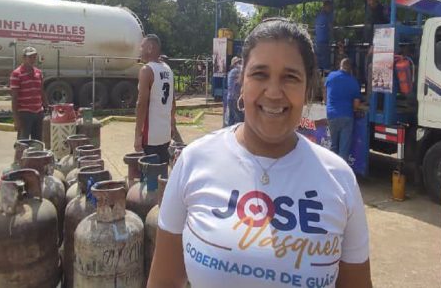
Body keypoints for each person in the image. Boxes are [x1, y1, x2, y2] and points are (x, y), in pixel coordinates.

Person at [148, 18, 372, 288]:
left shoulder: (340, 180)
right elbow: (164, 282)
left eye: (290, 77)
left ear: (307, 88)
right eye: (260, 74)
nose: (274, 93)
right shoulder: (193, 162)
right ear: (242, 83)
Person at [135, 34, 177, 165]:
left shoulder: (147, 70)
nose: (140, 50)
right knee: (163, 170)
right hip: (165, 133)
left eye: (142, 46)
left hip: (150, 135)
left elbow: (141, 104)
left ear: (150, 48)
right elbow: (172, 101)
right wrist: (172, 124)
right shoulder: (168, 69)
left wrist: (137, 135)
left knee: (150, 173)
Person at [324, 58, 362, 160]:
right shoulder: (353, 81)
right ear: (350, 69)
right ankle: (341, 169)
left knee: (333, 146)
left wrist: (328, 104)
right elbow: (356, 104)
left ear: (340, 66)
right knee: (344, 150)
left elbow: (325, 92)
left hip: (331, 115)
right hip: (346, 116)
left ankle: (331, 167)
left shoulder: (331, 76)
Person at [10, 46, 46, 141]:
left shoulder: (38, 73)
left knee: (37, 142)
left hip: (39, 113)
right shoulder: (16, 74)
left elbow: (41, 91)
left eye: (34, 57)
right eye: (30, 57)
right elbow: (14, 97)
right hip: (25, 114)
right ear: (23, 58)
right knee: (23, 142)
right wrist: (16, 119)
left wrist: (47, 107)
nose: (32, 59)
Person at [314, 0, 335, 71]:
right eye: (330, 7)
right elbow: (331, 29)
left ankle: (319, 76)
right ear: (326, 6)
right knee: (326, 65)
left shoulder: (318, 17)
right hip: (324, 44)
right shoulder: (327, 17)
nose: (330, 9)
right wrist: (334, 38)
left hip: (317, 43)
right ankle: (325, 76)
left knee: (318, 65)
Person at [225, 56, 244, 126]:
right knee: (240, 119)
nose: (240, 63)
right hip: (234, 98)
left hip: (230, 98)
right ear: (235, 64)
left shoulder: (231, 72)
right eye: (239, 62)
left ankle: (229, 131)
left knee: (231, 119)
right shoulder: (236, 71)